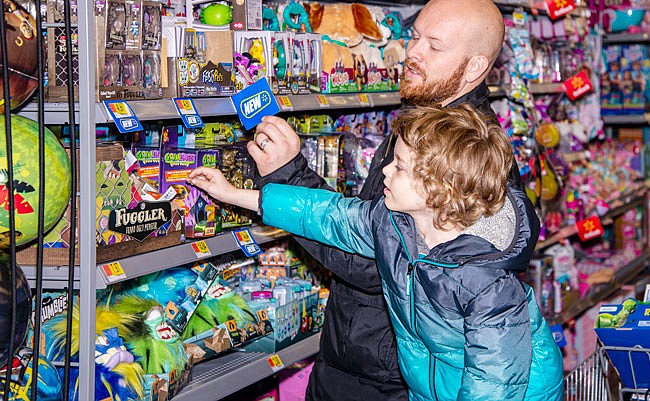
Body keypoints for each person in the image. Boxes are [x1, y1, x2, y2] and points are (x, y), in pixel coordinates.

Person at [243, 0, 522, 401]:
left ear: (475, 67)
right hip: (357, 357)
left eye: (434, 46)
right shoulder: (427, 120)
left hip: (386, 377)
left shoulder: (465, 153)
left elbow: (373, 258)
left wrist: (288, 174)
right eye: (414, 37)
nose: (412, 52)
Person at [187, 105, 564, 401]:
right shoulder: (395, 224)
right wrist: (236, 196)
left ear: (439, 190)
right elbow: (326, 215)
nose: (384, 172)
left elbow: (494, 386)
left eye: (399, 166)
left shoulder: (487, 287)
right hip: (433, 385)